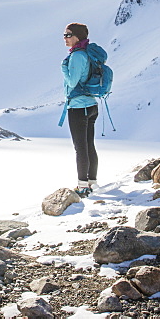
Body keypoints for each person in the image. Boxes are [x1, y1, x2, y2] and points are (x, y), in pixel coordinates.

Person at [60, 23, 107, 197]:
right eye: (65, 35)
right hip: (90, 105)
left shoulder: (77, 56)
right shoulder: (86, 53)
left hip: (79, 108)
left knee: (80, 147)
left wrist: (63, 68)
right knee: (88, 145)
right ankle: (91, 182)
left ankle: (82, 186)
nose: (65, 38)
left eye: (68, 35)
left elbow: (72, 82)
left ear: (77, 37)